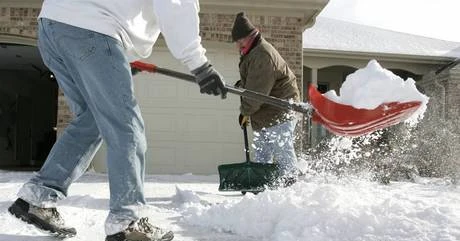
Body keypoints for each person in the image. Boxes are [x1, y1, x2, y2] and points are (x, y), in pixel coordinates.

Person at [8, 0, 227, 241]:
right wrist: (199, 65)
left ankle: (37, 198)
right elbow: (175, 4)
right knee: (126, 127)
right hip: (94, 30)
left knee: (91, 120)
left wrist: (119, 59)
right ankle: (127, 220)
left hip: (53, 25)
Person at [232, 12, 300, 185]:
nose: (238, 45)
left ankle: (291, 186)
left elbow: (256, 93)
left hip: (280, 111)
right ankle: (264, 187)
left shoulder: (262, 54)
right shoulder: (252, 51)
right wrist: (243, 83)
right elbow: (256, 81)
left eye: (240, 41)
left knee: (282, 151)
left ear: (251, 36)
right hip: (265, 112)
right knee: (263, 154)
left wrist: (245, 112)